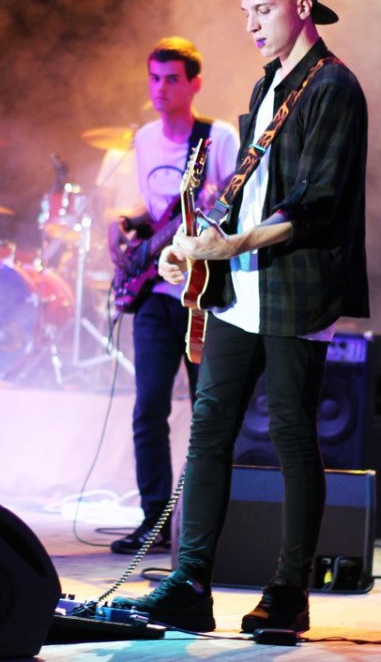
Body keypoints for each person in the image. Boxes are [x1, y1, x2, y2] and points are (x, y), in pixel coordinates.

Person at [113, 0, 369, 634]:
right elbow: (245, 191)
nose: (252, 24)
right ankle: (189, 583)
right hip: (240, 288)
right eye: (246, 12)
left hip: (297, 287)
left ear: (303, 6)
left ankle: (288, 593)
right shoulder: (266, 88)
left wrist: (231, 246)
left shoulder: (333, 88)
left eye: (264, 9)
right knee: (210, 428)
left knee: (291, 433)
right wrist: (192, 247)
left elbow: (316, 204)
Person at [106, 37, 240, 555]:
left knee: (210, 414)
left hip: (203, 294)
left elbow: (232, 206)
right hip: (155, 295)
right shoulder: (144, 139)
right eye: (153, 78)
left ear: (194, 84)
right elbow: (156, 209)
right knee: (148, 411)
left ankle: (205, 530)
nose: (159, 89)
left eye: (171, 79)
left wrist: (211, 216)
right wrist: (126, 225)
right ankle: (154, 521)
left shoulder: (218, 138)